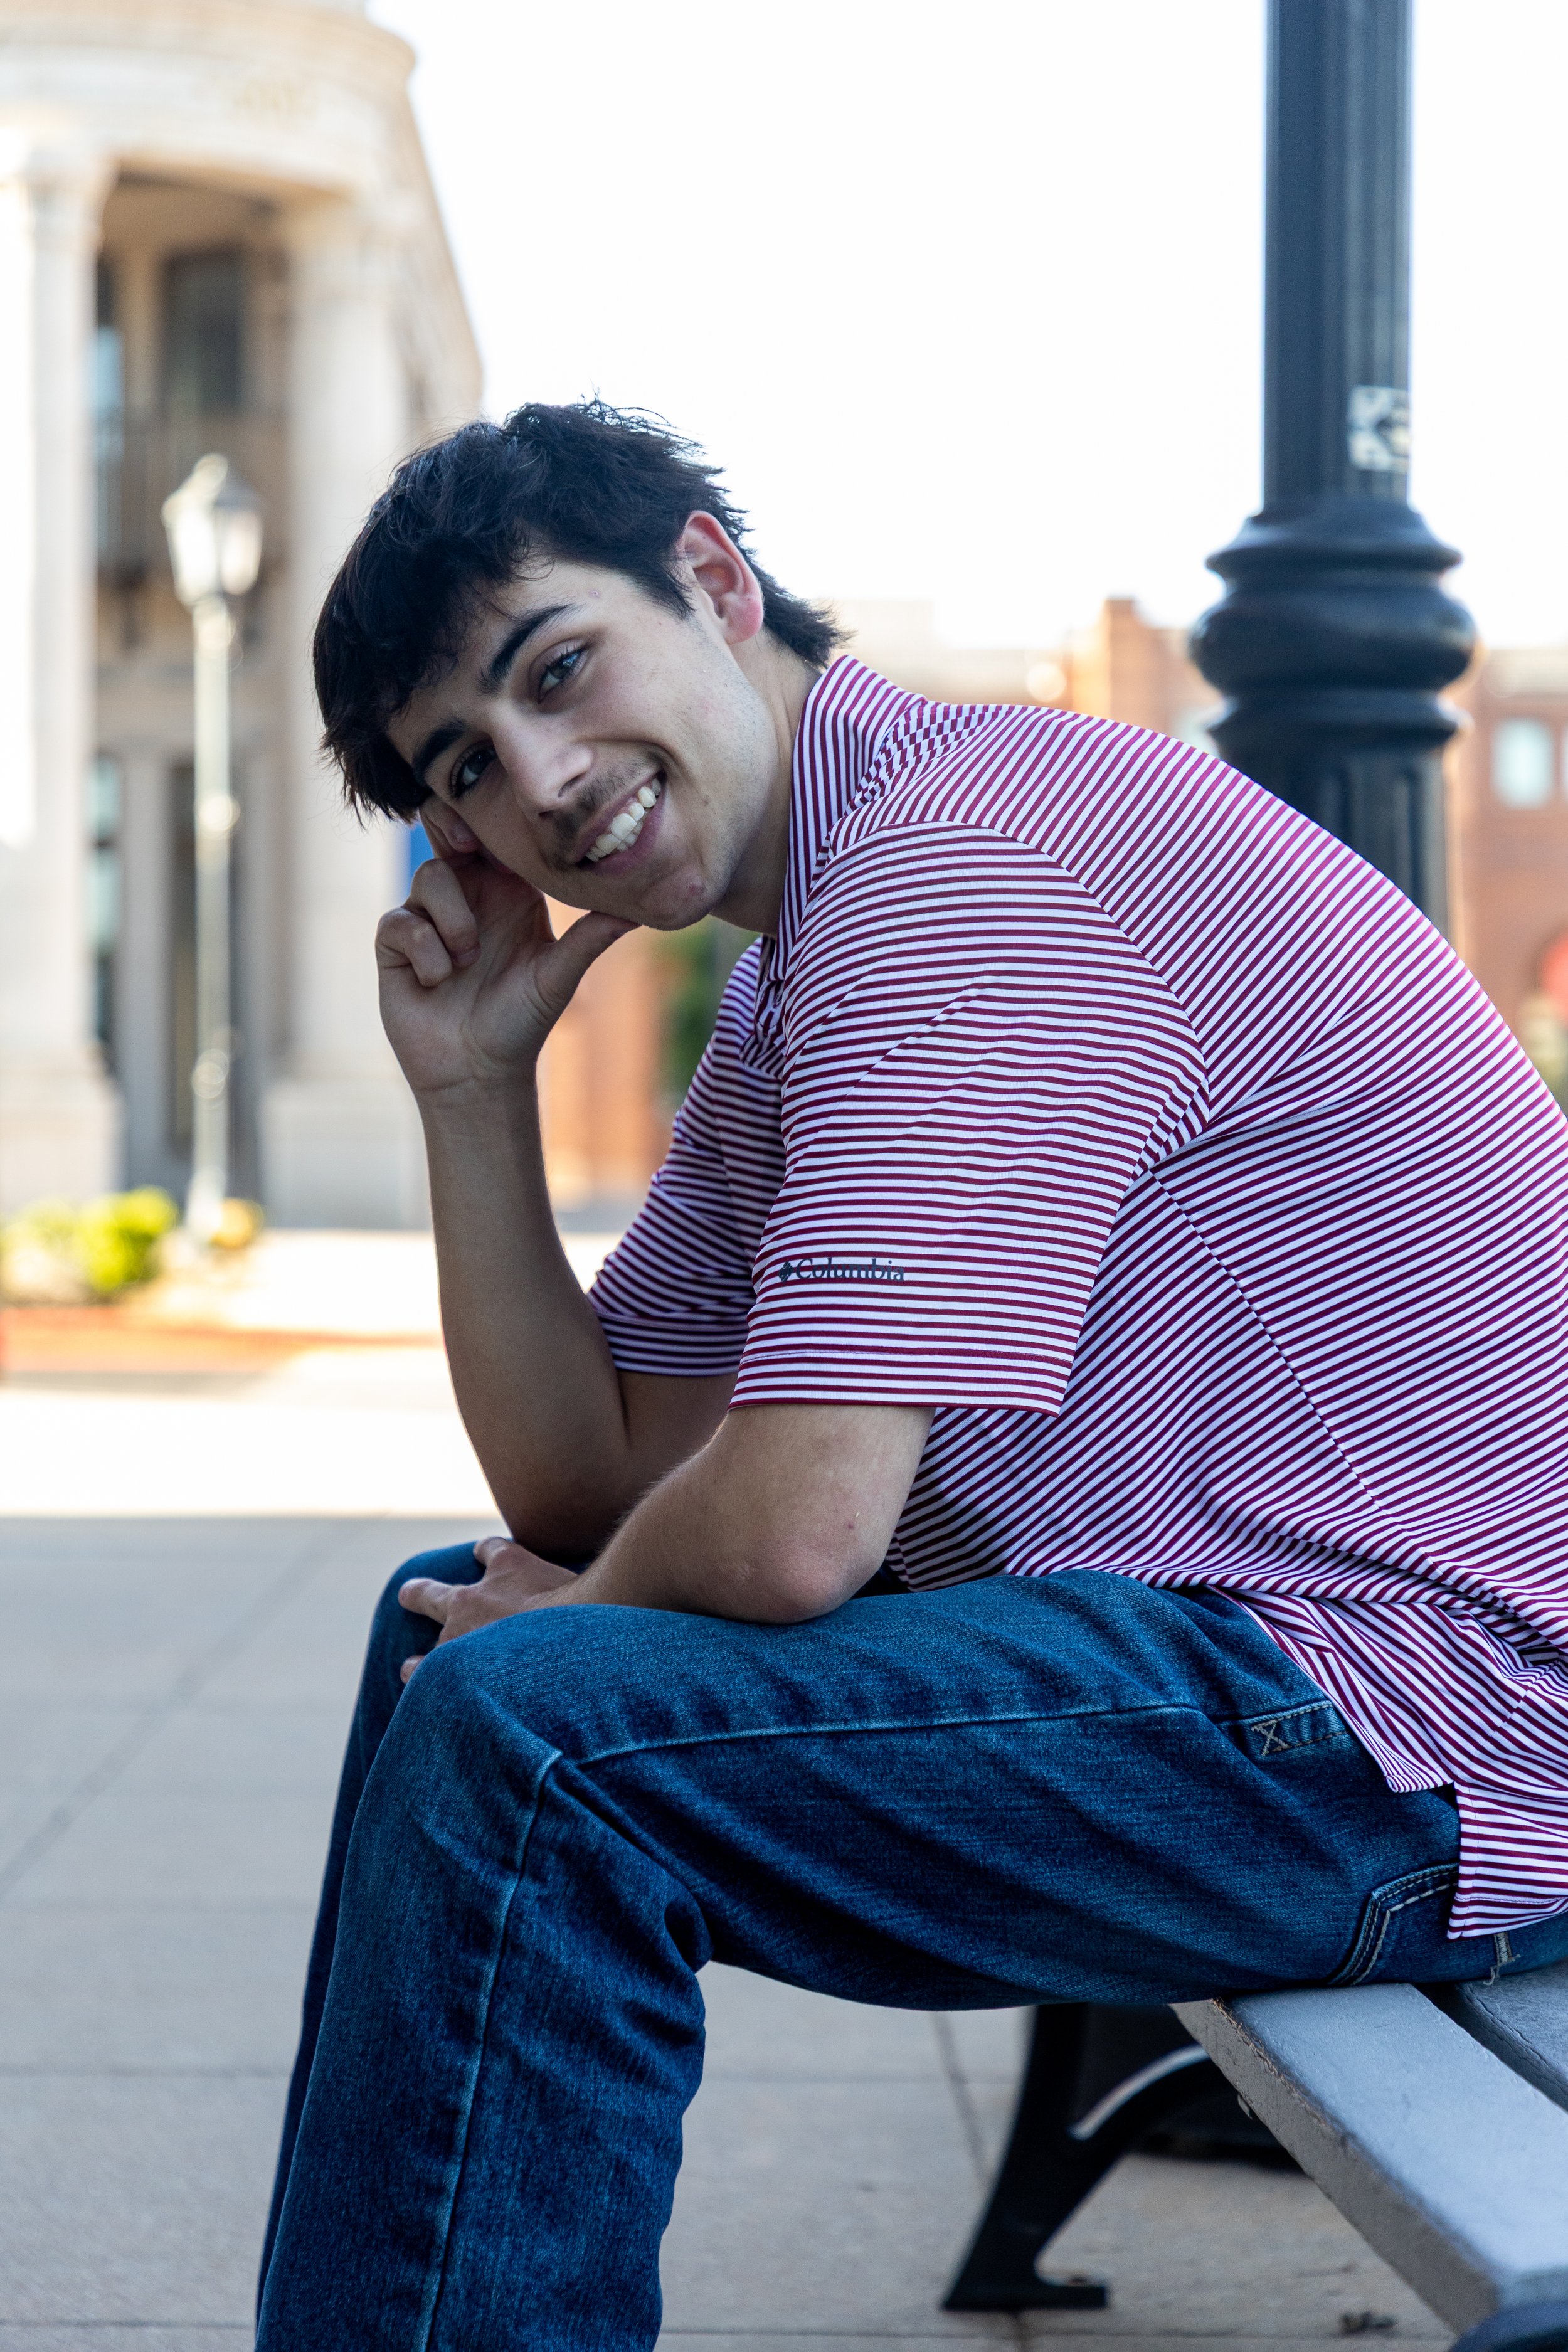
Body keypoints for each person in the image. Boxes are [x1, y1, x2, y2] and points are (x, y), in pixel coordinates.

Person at [257, 401, 1568, 2351]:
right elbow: (589, 1488)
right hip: (1282, 1695)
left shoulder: (962, 860)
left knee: (524, 1734)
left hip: (1421, 1730)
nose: (541, 780)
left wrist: (570, 1617)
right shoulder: (819, 934)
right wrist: (470, 1098)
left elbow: (791, 1530)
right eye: (470, 764)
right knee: (457, 1640)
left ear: (709, 579)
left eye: (557, 669)